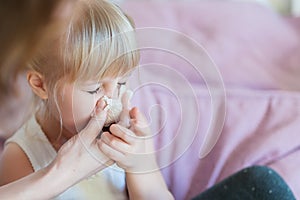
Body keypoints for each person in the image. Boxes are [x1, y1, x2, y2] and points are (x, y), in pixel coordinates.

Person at [0, 0, 174, 199]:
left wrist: (142, 166)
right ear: (41, 85)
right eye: (95, 89)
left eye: (121, 83)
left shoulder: (124, 135)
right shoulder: (21, 156)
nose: (112, 99)